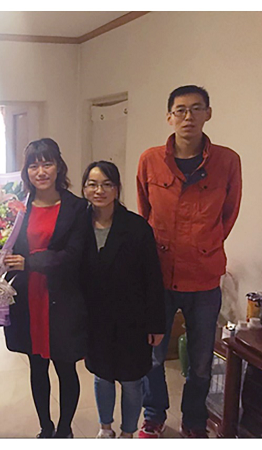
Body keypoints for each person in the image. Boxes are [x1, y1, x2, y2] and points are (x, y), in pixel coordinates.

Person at [137, 85, 242, 438]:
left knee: (200, 362)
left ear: (208, 114)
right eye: (180, 110)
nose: (188, 117)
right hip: (159, 274)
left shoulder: (227, 161)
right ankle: (153, 414)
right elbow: (144, 211)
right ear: (169, 117)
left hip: (204, 277)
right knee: (152, 355)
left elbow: (229, 214)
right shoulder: (150, 159)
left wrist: (205, 245)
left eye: (196, 109)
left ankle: (194, 421)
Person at [3, 138, 88, 438]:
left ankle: (64, 430)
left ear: (58, 167)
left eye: (47, 163)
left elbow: (73, 256)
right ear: (26, 171)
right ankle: (45, 427)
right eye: (33, 165)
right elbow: (5, 247)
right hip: (27, 297)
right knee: (36, 366)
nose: (40, 171)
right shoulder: (17, 207)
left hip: (62, 299)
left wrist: (30, 262)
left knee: (65, 367)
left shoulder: (77, 207)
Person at [79, 161, 165, 438]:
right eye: (92, 184)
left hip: (132, 318)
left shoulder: (137, 227)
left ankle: (128, 433)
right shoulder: (78, 225)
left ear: (117, 189)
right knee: (102, 376)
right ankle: (105, 429)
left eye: (107, 184)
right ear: (84, 188)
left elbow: (153, 279)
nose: (99, 190)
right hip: (95, 318)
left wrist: (156, 323)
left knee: (131, 380)